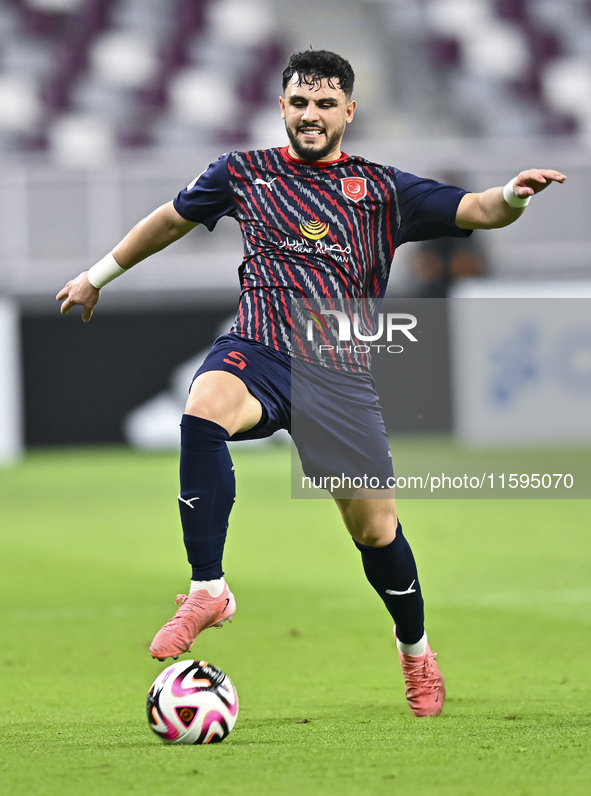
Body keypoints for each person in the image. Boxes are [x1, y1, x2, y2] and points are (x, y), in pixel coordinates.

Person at [56, 50, 566, 718]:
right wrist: (97, 276)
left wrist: (512, 196)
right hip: (258, 349)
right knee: (204, 408)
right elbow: (170, 219)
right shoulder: (244, 172)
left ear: (348, 112)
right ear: (282, 108)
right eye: (299, 103)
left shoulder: (381, 190)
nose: (310, 116)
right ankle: (207, 587)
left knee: (376, 533)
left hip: (338, 372)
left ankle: (414, 648)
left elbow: (476, 209)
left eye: (325, 105)